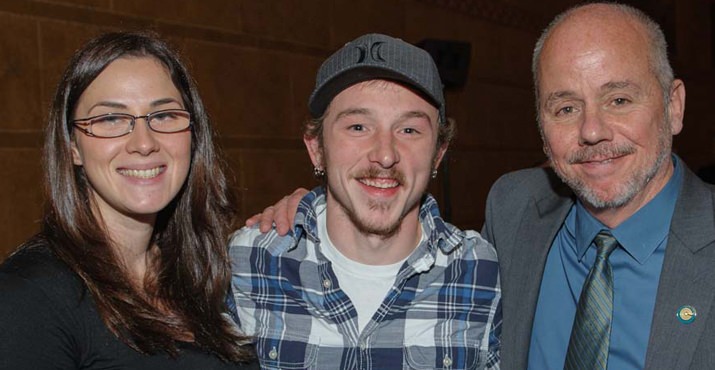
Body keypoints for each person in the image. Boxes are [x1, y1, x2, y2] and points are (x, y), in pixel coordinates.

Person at [248, 3, 715, 370]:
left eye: (618, 99)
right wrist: (315, 204)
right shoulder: (515, 210)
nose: (592, 131)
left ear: (673, 106)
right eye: (566, 108)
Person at [229, 33, 501, 369]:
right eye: (358, 126)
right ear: (316, 148)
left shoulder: (482, 271)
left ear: (438, 154)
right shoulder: (249, 261)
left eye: (409, 130)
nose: (385, 155)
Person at [0, 32, 257, 369]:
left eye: (164, 115)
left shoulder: (207, 273)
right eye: (110, 119)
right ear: (73, 146)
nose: (144, 142)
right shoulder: (29, 298)